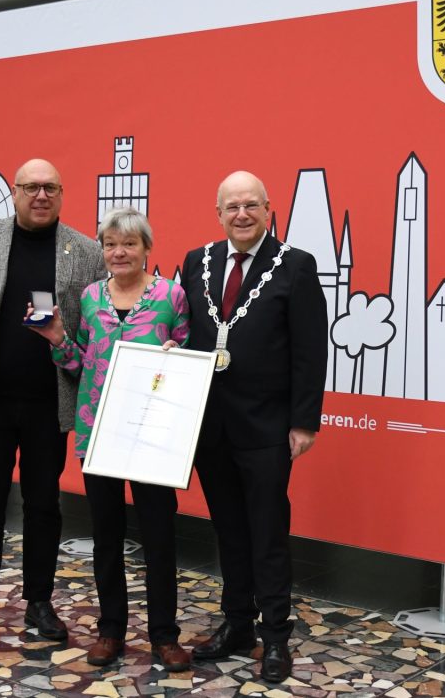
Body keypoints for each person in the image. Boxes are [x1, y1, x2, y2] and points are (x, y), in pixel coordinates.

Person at [0, 158, 105, 657]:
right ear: (13, 192)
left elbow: (94, 327)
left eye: (50, 187)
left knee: (44, 506)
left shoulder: (87, 251)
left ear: (61, 193)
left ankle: (39, 604)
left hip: (50, 405)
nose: (40, 195)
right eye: (30, 187)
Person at [27, 207, 192, 672]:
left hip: (152, 432)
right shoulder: (92, 296)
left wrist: (177, 355)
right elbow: (82, 363)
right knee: (106, 536)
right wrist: (57, 337)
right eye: (110, 244)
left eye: (129, 244)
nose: (118, 252)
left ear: (146, 249)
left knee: (159, 536)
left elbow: (188, 353)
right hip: (98, 430)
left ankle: (164, 635)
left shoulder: (171, 295)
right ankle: (111, 630)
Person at [179, 171, 327, 684]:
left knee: (267, 533)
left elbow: (310, 350)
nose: (241, 215)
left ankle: (277, 638)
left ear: (269, 209)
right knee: (229, 530)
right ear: (217, 212)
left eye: (251, 205)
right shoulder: (196, 262)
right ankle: (237, 624)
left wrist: (304, 421)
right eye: (231, 207)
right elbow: (184, 330)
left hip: (266, 427)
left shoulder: (296, 266)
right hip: (209, 427)